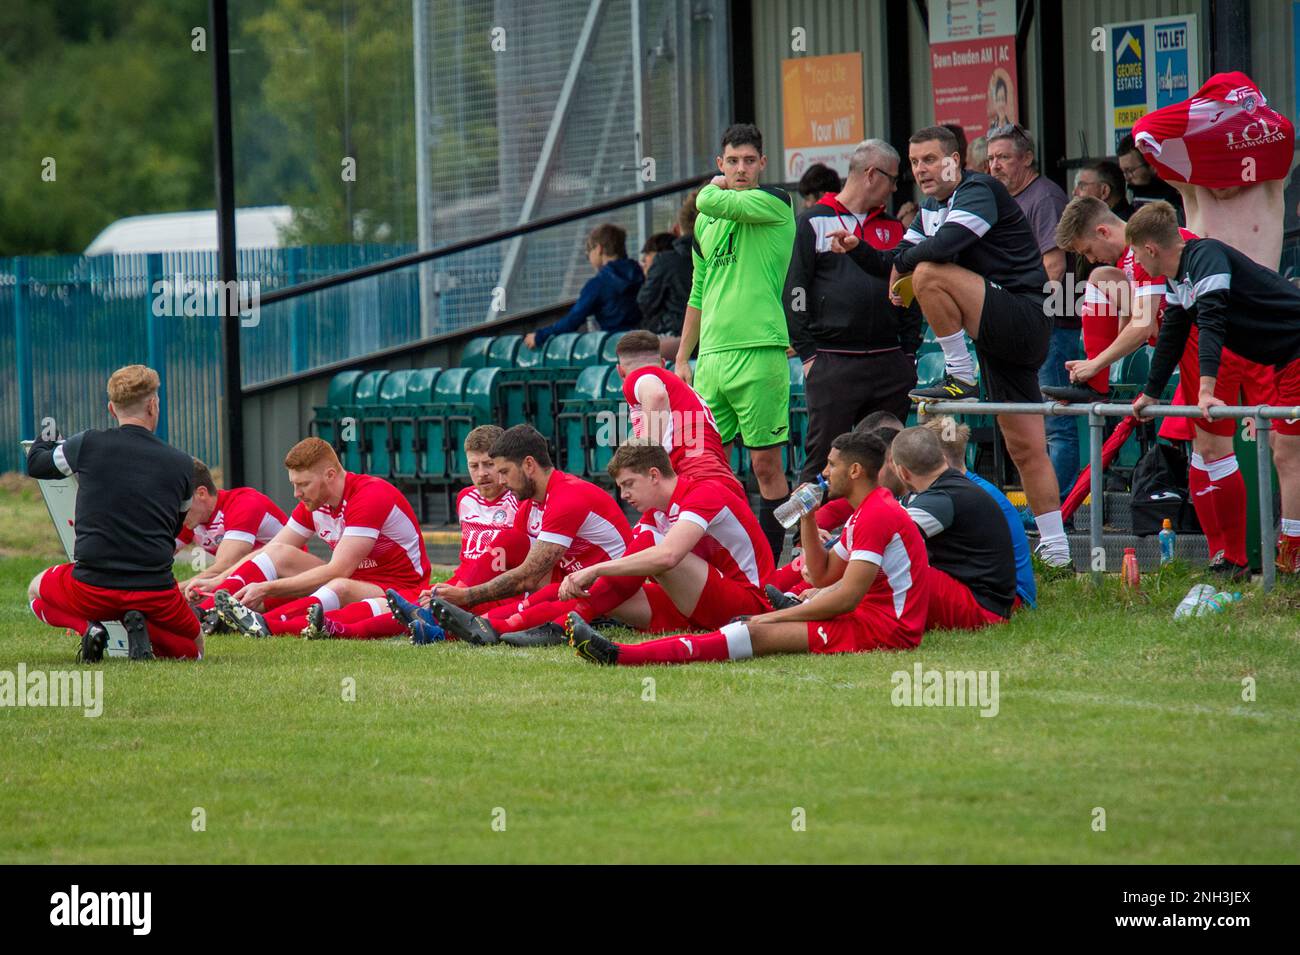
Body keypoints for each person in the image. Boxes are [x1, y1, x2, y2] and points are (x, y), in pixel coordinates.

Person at [827, 124, 1073, 571]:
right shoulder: (931, 207)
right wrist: (859, 249)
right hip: (995, 333)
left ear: (955, 160)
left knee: (927, 274)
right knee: (1025, 447)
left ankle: (960, 374)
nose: (921, 170)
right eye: (915, 162)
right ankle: (1058, 553)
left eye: (930, 160)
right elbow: (895, 257)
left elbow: (944, 247)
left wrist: (903, 270)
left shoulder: (979, 190)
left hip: (1024, 316)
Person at [565, 430, 931, 665]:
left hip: (884, 631)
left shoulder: (878, 514)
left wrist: (771, 616)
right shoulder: (865, 512)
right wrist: (807, 517)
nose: (824, 473)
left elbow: (846, 598)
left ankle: (620, 655)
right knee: (739, 628)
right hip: (863, 618)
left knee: (749, 634)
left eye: (832, 465)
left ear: (854, 471)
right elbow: (823, 574)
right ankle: (570, 628)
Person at [1052, 196, 1271, 579]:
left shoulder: (1146, 250)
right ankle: (1224, 555)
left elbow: (1145, 326)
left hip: (1217, 345)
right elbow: (1149, 324)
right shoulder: (1129, 261)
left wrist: (1096, 362)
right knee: (1206, 453)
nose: (1091, 258)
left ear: (1104, 231)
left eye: (1088, 249)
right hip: (1193, 345)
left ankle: (1237, 556)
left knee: (1224, 450)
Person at [441, 441, 773, 644]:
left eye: (629, 485)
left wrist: (593, 570)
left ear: (654, 475)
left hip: (745, 607)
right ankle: (486, 623)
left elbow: (669, 557)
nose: (625, 496)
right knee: (615, 580)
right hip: (699, 603)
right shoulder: (654, 514)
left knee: (647, 548)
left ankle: (532, 624)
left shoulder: (703, 493)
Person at [1127, 201, 1300, 574]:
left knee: (1287, 454)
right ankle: (1284, 551)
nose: (1138, 265)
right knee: (1286, 452)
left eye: (1137, 255)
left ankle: (1291, 553)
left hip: (1294, 349)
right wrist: (1151, 392)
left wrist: (1206, 390)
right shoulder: (1177, 279)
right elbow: (1173, 332)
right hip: (1283, 359)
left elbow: (1212, 324)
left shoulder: (1206, 256)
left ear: (1151, 248)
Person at [676, 123, 797, 564]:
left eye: (749, 161)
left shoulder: (776, 202)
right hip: (711, 360)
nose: (741, 169)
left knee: (766, 466)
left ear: (763, 164)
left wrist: (712, 187)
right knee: (709, 468)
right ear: (720, 163)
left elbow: (705, 198)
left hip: (760, 352)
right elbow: (698, 292)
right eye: (732, 161)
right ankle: (723, 559)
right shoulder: (707, 221)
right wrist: (682, 357)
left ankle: (768, 563)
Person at [26, 364, 201, 661]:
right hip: (155, 589)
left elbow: (37, 464)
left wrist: (50, 430)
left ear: (111, 408)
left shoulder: (88, 444)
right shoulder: (182, 464)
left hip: (91, 585)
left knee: (35, 591)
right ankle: (138, 625)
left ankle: (88, 629)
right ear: (153, 405)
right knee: (194, 649)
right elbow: (174, 528)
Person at [413, 425, 637, 645]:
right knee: (511, 545)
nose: (501, 481)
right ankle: (438, 619)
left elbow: (528, 577)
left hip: (612, 591)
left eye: (504, 471)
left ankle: (447, 621)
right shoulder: (529, 505)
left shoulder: (567, 495)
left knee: (529, 605)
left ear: (529, 465)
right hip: (571, 584)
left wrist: (467, 596)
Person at [785, 138, 919, 484]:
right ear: (872, 174)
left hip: (890, 363)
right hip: (833, 363)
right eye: (892, 179)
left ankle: (879, 535)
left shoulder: (894, 229)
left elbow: (909, 289)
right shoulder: (813, 221)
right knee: (823, 460)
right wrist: (809, 355)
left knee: (887, 463)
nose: (895, 187)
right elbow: (795, 291)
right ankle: (805, 538)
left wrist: (909, 354)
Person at [205, 437, 430, 638]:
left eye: (303, 484)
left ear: (330, 475)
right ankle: (206, 611)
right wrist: (219, 580)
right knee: (277, 553)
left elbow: (338, 570)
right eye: (294, 484)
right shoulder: (315, 503)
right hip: (354, 578)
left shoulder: (369, 495)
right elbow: (273, 548)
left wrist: (267, 588)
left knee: (339, 586)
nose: (296, 493)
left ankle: (267, 624)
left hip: (400, 589)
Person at [311, 426, 519, 641]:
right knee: (402, 606)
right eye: (474, 466)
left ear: (503, 463)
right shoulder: (465, 498)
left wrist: (464, 590)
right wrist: (455, 585)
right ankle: (326, 622)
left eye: (489, 464)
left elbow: (518, 560)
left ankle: (341, 630)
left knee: (429, 611)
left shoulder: (519, 502)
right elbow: (468, 556)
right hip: (460, 581)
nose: (481, 473)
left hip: (494, 589)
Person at [987, 123, 1077, 498]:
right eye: (991, 158)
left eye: (1004, 157)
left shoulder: (1044, 197)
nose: (995, 166)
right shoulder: (1007, 199)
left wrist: (1029, 318)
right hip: (1021, 324)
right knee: (1032, 422)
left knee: (1058, 423)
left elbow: (1053, 269)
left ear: (1026, 158)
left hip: (1051, 326)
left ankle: (1060, 508)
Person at [1132, 73, 1294, 270]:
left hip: (1260, 298)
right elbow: (1145, 128)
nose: (1221, 177)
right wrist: (1204, 112)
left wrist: (1242, 105)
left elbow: (1284, 130)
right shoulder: (1191, 185)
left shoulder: (1268, 181)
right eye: (1215, 164)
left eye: (1227, 163)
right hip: (1209, 297)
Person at [891, 426, 1017, 630]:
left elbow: (885, 540)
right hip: (988, 601)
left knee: (890, 567)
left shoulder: (941, 499)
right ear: (941, 456)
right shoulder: (950, 489)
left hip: (981, 607)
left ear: (903, 472)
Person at [922, 416, 1037, 608]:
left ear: (938, 459)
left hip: (1007, 597)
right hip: (1006, 593)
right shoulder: (973, 488)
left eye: (919, 458)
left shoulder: (961, 494)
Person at [613, 330, 743, 497]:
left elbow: (656, 396)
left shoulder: (640, 376)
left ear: (620, 371)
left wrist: (643, 459)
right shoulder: (678, 387)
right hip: (716, 479)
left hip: (693, 480)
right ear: (662, 363)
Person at [176, 458, 288, 607]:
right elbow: (154, 556)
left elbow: (226, 565)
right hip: (247, 582)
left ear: (201, 494)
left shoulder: (243, 503)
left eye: (180, 503)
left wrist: (172, 592)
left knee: (201, 610)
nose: (176, 511)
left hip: (285, 581)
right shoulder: (192, 516)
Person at [524, 223, 643, 351]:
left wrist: (539, 336)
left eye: (588, 253)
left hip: (615, 347)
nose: (588, 257)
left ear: (599, 249)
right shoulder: (643, 274)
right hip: (646, 341)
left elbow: (572, 321)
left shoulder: (598, 284)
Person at [637, 217, 692, 341]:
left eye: (648, 254)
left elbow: (644, 303)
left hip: (675, 334)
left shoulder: (665, 264)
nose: (643, 261)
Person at [1117, 134, 1185, 222]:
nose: (1127, 178)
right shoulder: (1134, 194)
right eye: (1123, 172)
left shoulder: (1176, 197)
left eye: (1130, 171)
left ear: (1152, 166)